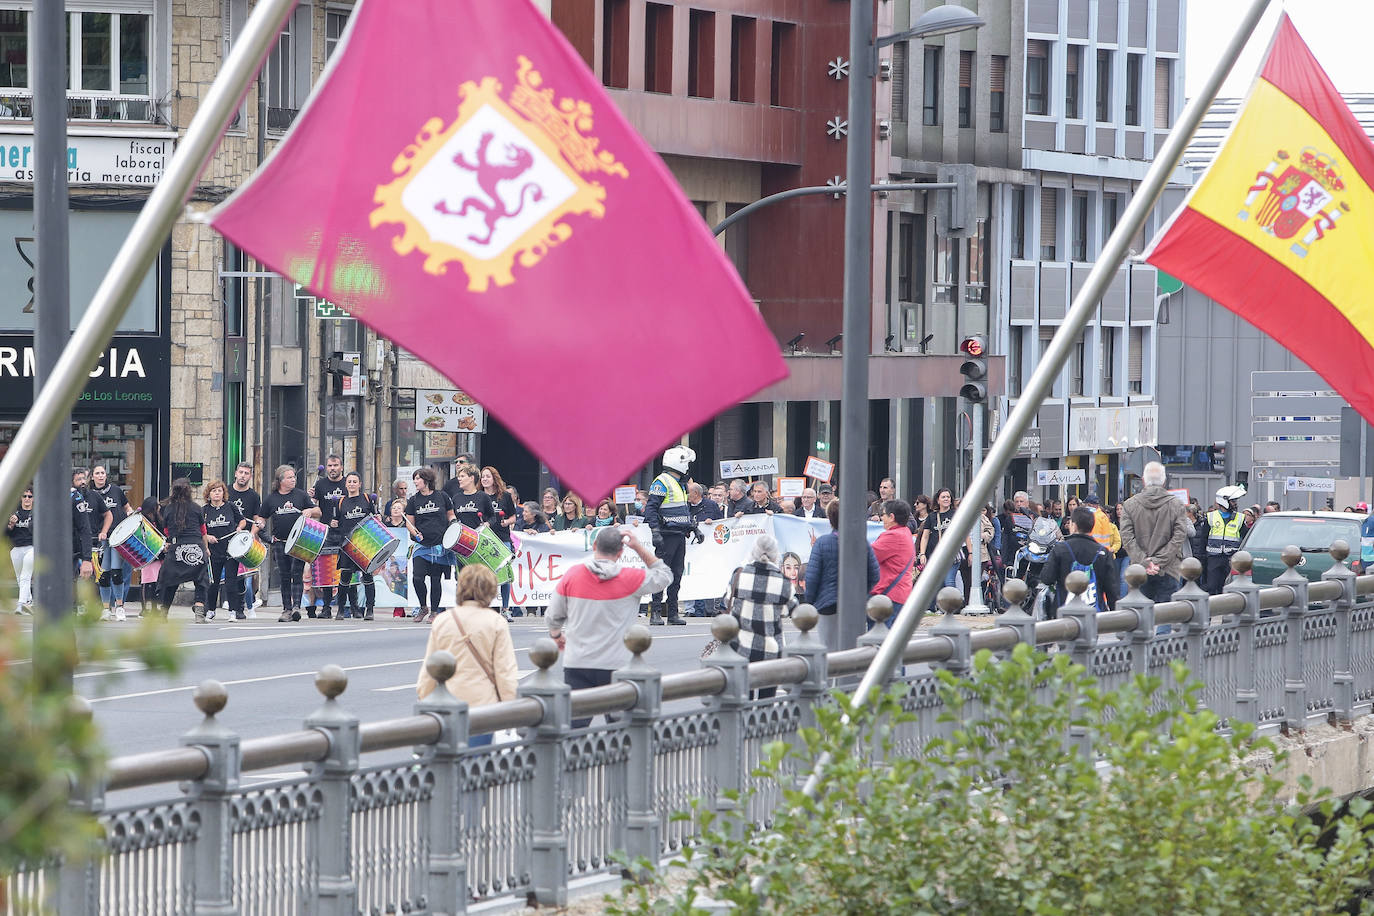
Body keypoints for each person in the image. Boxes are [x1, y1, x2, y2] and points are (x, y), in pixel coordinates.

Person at [547, 526, 672, 727]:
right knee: (620, 730)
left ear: (595, 545)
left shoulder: (573, 575)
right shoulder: (632, 578)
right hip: (617, 664)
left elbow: (554, 614)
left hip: (579, 661)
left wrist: (555, 634)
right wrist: (639, 547)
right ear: (621, 552)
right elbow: (665, 575)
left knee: (573, 728)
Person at [416, 565, 518, 746]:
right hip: (482, 708)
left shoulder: (443, 620)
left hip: (447, 706)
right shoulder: (496, 622)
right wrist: (510, 709)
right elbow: (505, 672)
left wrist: (424, 697)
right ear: (491, 590)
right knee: (476, 766)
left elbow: (429, 668)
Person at [724, 534, 797, 698]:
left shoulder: (739, 576)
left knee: (743, 699)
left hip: (740, 647)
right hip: (770, 649)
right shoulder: (783, 582)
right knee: (766, 703)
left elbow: (728, 600)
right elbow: (789, 611)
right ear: (775, 554)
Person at [804, 500, 879, 650]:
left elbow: (812, 577)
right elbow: (874, 574)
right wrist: (862, 593)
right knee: (852, 650)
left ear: (830, 519)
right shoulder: (861, 542)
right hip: (855, 604)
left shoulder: (822, 543)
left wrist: (810, 602)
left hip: (827, 604)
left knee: (830, 649)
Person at [1119, 461, 1192, 605]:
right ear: (1164, 481)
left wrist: (1145, 562)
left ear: (1144, 480)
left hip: (1139, 571)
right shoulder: (1176, 504)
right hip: (1169, 569)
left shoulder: (1129, 505)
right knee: (1167, 616)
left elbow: (1127, 539)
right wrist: (1159, 561)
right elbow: (1179, 537)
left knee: (1139, 617)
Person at [256, 464, 321, 622]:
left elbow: (319, 512)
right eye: (290, 477)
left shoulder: (301, 495)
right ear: (280, 480)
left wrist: (310, 511)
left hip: (298, 542)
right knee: (284, 576)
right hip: (280, 542)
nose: (293, 480)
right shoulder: (271, 499)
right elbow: (261, 517)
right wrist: (261, 525)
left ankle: (297, 607)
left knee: (296, 573)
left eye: (294, 477)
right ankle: (287, 609)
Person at [644, 446, 697, 627]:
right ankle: (656, 613)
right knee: (661, 575)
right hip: (666, 535)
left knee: (676, 575)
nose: (688, 467)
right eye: (687, 463)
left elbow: (682, 512)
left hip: (679, 535)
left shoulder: (679, 484)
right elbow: (650, 509)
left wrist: (693, 528)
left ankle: (672, 613)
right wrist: (655, 531)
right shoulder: (662, 482)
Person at [1041, 507, 1119, 616]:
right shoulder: (1104, 553)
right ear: (1092, 527)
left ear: (1074, 525)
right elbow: (1112, 590)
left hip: (1063, 614)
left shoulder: (1060, 549)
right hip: (1095, 615)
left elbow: (1046, 578)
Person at [406, 467, 456, 624]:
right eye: (414, 479)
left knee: (436, 579)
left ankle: (434, 611)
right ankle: (423, 607)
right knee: (417, 577)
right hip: (422, 546)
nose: (415, 481)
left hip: (440, 545)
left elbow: (451, 515)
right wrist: (415, 533)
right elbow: (409, 522)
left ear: (427, 480)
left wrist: (454, 524)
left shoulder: (442, 496)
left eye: (418, 478)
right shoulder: (413, 500)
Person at [158, 478, 211, 622]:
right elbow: (203, 531)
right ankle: (199, 613)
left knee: (169, 581)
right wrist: (206, 549)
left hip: (177, 549)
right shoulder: (196, 508)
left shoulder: (168, 509)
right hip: (197, 548)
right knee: (201, 580)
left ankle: (163, 613)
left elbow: (167, 531)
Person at [89, 464, 134, 621]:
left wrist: (131, 515)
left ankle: (120, 607)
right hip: (100, 538)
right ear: (92, 476)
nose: (101, 476)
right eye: (97, 473)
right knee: (103, 574)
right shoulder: (91, 494)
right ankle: (106, 609)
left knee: (116, 572)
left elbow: (127, 507)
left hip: (117, 535)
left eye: (102, 473)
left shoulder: (116, 490)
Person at [332, 471, 379, 620]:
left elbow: (376, 517)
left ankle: (370, 610)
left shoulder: (366, 499)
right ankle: (340, 610)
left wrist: (379, 518)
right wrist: (333, 523)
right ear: (346, 484)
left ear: (360, 484)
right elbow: (336, 521)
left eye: (354, 481)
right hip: (347, 544)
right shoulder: (341, 502)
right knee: (345, 577)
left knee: (367, 576)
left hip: (364, 543)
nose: (352, 484)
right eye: (349, 481)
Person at [203, 479, 246, 621]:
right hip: (213, 552)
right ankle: (210, 610)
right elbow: (200, 530)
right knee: (213, 582)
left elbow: (242, 520)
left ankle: (233, 611)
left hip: (230, 550)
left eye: (219, 490)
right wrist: (207, 537)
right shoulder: (204, 510)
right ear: (208, 494)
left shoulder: (231, 506)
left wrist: (239, 528)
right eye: (214, 491)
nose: (217, 493)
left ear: (223, 493)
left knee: (230, 581)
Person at [918, 488, 967, 609]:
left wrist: (970, 553)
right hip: (936, 555)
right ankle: (940, 607)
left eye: (948, 497)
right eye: (943, 497)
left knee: (949, 580)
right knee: (937, 582)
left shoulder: (957, 514)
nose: (946, 499)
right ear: (938, 500)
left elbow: (965, 535)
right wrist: (922, 554)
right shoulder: (932, 517)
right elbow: (925, 537)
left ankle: (952, 607)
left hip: (952, 554)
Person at [480, 465, 518, 616]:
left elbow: (514, 517)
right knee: (484, 576)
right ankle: (484, 608)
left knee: (504, 575)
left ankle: (506, 609)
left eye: (488, 476)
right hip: (484, 540)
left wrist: (507, 522)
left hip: (502, 538)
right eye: (483, 476)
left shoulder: (505, 496)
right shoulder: (479, 496)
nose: (485, 479)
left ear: (494, 478)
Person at [313, 458, 348, 619]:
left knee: (347, 569)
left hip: (345, 532)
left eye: (336, 465)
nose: (333, 468)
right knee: (327, 571)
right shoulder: (320, 485)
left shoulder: (348, 483)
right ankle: (326, 607)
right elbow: (315, 507)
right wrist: (311, 499)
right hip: (326, 531)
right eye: (330, 466)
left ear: (341, 467)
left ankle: (350, 607)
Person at [871, 499, 916, 623]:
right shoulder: (905, 532)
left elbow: (868, 556)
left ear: (891, 517)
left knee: (880, 637)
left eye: (883, 515)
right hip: (898, 593)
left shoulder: (892, 536)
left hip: (889, 595)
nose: (881, 518)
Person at [229, 462, 264, 611]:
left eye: (246, 473)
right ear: (236, 473)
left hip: (246, 539)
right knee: (232, 574)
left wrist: (253, 534)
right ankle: (234, 605)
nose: (243, 476)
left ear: (250, 476)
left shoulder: (254, 496)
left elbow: (257, 519)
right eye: (241, 472)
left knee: (249, 574)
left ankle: (245, 604)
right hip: (230, 537)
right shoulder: (226, 491)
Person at [1203, 485, 1248, 595]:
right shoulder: (1210, 517)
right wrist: (1202, 558)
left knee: (1229, 588)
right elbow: (1203, 539)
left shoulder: (1240, 518)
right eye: (1233, 501)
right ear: (1223, 501)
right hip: (1213, 558)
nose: (1235, 504)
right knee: (1212, 587)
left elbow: (1245, 538)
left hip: (1231, 559)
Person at [7, 487, 33, 614]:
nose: (27, 499)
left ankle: (21, 604)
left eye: (29, 496)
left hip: (32, 547)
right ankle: (29, 601)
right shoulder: (14, 513)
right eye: (24, 496)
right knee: (19, 577)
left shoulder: (36, 513)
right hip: (16, 548)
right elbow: (6, 533)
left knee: (25, 575)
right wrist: (10, 525)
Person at [70, 469, 94, 582]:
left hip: (71, 552)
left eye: (83, 478)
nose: (82, 482)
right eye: (78, 479)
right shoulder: (47, 494)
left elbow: (85, 528)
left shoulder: (75, 497)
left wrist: (87, 559)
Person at [1082, 491, 1121, 557]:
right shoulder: (1102, 516)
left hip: (1096, 552)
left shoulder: (1094, 517)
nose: (1085, 507)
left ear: (1090, 505)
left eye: (1086, 505)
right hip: (1105, 552)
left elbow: (1094, 536)